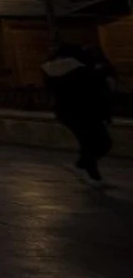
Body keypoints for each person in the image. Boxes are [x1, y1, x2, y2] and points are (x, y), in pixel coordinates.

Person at [45, 41, 115, 187]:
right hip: (85, 111)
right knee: (96, 143)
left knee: (91, 143)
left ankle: (85, 169)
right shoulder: (85, 71)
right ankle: (92, 175)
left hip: (68, 112)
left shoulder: (51, 70)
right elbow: (95, 92)